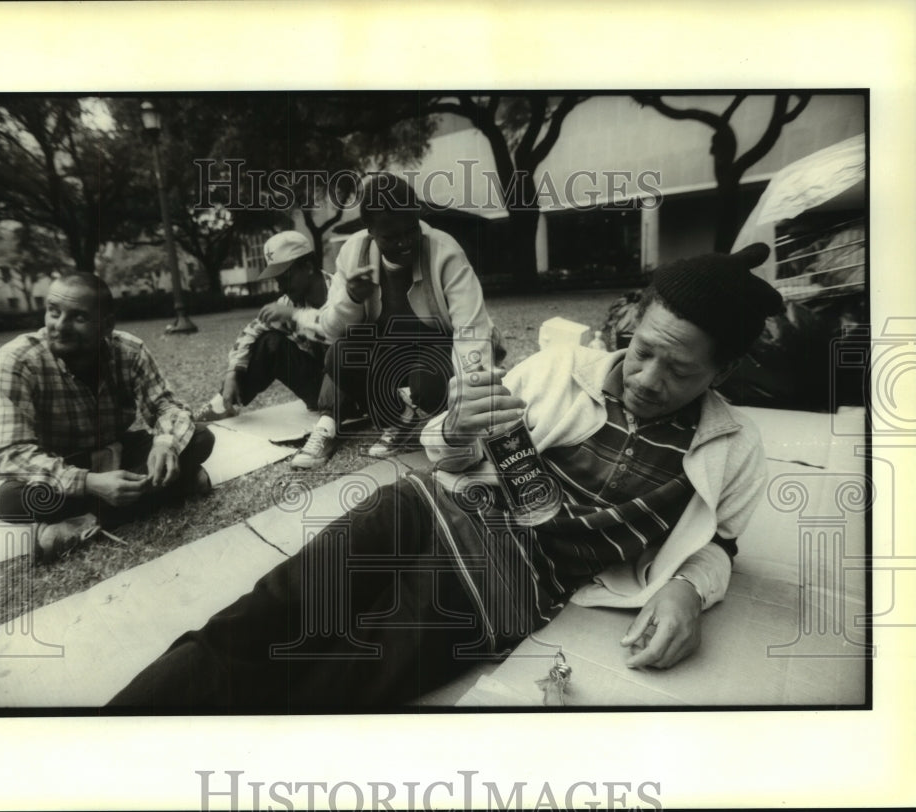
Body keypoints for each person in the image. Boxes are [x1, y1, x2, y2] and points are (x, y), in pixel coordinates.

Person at [108, 243, 783, 711]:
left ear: (721, 373)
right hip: (422, 512)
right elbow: (444, 452)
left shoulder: (732, 446)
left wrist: (690, 591)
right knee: (264, 617)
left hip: (503, 589)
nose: (647, 377)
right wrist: (457, 427)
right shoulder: (553, 374)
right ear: (630, 332)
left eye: (680, 370)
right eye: (641, 352)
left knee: (325, 687)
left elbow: (718, 545)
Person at [0, 273, 216, 564]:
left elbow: (166, 406)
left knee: (200, 438)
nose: (60, 326)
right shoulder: (16, 360)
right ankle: (176, 487)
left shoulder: (129, 351)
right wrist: (89, 482)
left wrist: (165, 443)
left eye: (78, 317)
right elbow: (6, 450)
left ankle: (82, 521)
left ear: (106, 324)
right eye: (53, 312)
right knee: (9, 501)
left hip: (116, 452)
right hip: (59, 465)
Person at [316, 172, 503, 458]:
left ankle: (429, 411)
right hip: (386, 351)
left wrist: (474, 401)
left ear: (418, 216)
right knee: (338, 356)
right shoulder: (353, 252)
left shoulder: (444, 250)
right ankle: (398, 419)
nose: (404, 243)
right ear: (370, 231)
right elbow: (329, 331)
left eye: (411, 230)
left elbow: (472, 330)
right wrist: (352, 297)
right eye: (391, 237)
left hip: (436, 349)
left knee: (425, 382)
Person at [193, 230, 358, 469]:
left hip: (354, 389)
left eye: (285, 275)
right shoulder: (288, 303)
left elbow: (339, 330)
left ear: (309, 267)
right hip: (319, 390)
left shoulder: (340, 292)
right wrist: (233, 372)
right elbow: (250, 332)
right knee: (270, 340)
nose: (279, 284)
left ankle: (327, 430)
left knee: (344, 345)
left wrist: (295, 316)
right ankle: (224, 405)